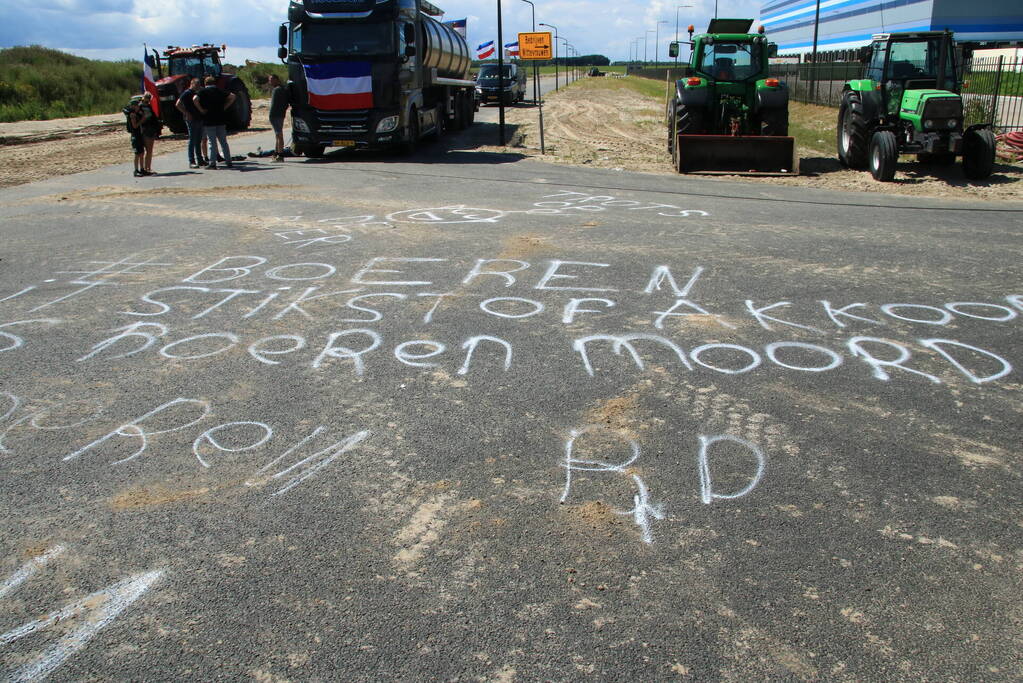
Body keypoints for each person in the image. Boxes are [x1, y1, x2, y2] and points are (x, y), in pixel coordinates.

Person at [193, 76, 236, 169]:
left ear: (205, 83)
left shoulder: (203, 92)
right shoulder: (220, 91)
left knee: (212, 143)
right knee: (223, 142)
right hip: (220, 119)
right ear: (214, 83)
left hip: (209, 119)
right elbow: (233, 96)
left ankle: (212, 163)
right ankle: (229, 161)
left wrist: (201, 109)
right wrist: (225, 106)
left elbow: (195, 99)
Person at [175, 77, 207, 168]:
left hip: (199, 118)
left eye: (199, 85)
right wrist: (186, 113)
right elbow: (177, 104)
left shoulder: (197, 93)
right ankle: (191, 161)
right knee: (192, 140)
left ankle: (200, 159)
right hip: (191, 119)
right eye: (196, 85)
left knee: (198, 139)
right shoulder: (186, 93)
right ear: (191, 84)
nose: (198, 86)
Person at [267, 74, 290, 162]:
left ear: (277, 79)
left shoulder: (278, 90)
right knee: (277, 135)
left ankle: (280, 155)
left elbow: (279, 104)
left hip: (276, 115)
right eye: (269, 80)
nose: (270, 82)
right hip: (279, 115)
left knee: (279, 135)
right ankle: (276, 154)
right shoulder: (282, 89)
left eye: (272, 80)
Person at [138, 92, 160, 175]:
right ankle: (144, 168)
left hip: (151, 129)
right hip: (144, 129)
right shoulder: (139, 107)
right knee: (145, 150)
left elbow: (153, 118)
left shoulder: (149, 106)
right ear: (143, 98)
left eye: (148, 99)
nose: (146, 101)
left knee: (150, 150)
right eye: (146, 99)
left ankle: (148, 168)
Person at [123, 96, 145, 177]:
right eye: (137, 105)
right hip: (135, 135)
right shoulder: (132, 115)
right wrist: (142, 120)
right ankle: (136, 170)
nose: (138, 107)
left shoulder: (136, 113)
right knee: (137, 154)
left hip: (139, 134)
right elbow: (135, 126)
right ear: (134, 106)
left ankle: (142, 169)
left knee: (142, 152)